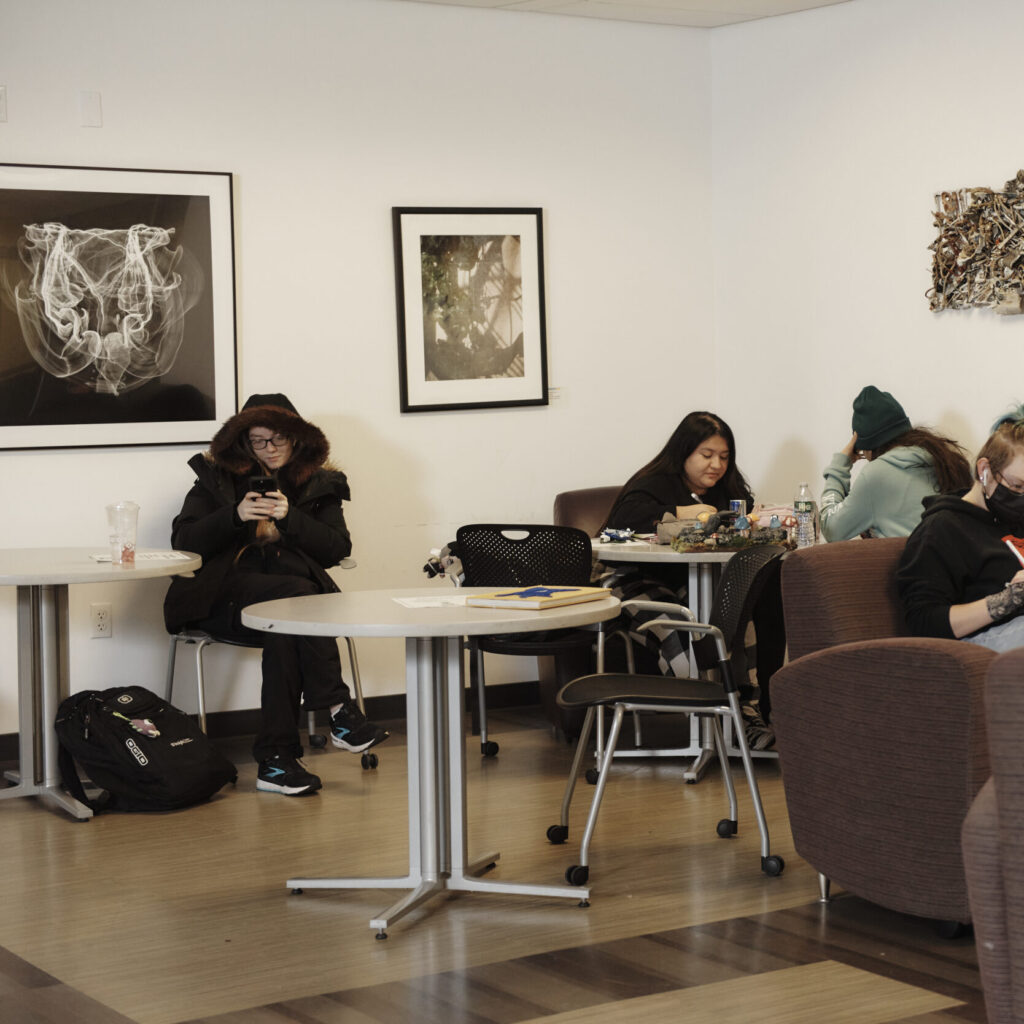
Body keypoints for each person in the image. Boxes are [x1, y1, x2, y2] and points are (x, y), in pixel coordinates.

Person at [163, 393, 389, 796]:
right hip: (220, 599)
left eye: (278, 439)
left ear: (297, 438)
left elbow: (338, 548)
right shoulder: (216, 478)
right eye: (258, 440)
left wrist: (291, 518)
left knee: (286, 622)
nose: (269, 449)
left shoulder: (321, 483)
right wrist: (234, 517)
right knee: (297, 599)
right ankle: (339, 710)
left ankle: (276, 761)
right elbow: (183, 541)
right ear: (243, 442)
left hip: (285, 610)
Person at [602, 410, 781, 749]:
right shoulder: (650, 485)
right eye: (707, 455)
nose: (716, 465)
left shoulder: (728, 491)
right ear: (683, 452)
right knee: (675, 627)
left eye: (724, 457)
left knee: (743, 614)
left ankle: (747, 713)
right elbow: (628, 521)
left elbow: (745, 518)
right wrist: (693, 514)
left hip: (692, 580)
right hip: (632, 579)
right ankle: (713, 721)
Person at [897, 406, 1024, 651]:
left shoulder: (1015, 521)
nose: (1021, 497)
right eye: (1017, 486)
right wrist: (1008, 600)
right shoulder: (942, 528)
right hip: (977, 646)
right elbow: (923, 621)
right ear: (984, 470)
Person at [820, 385, 972, 541]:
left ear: (869, 447)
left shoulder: (876, 475)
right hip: (959, 561)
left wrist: (840, 464)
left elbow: (831, 528)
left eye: (863, 453)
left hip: (917, 564)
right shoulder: (944, 457)